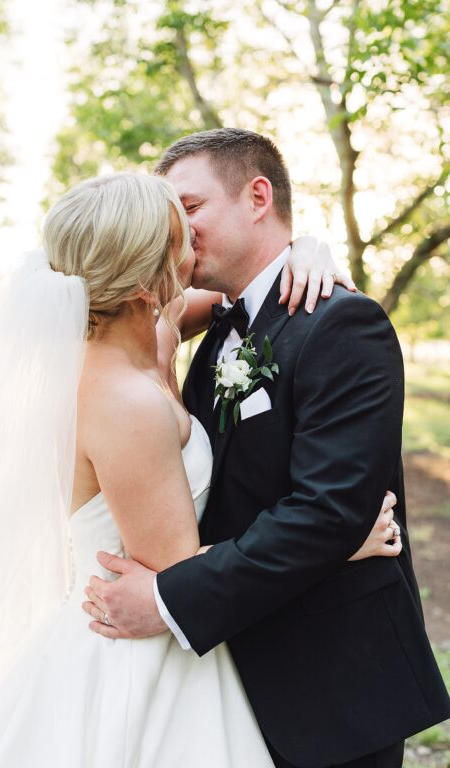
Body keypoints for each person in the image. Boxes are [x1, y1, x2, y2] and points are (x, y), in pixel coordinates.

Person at [0, 172, 400, 766]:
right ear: (146, 278)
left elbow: (251, 286)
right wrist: (336, 543)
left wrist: (306, 249)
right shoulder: (123, 401)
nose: (195, 245)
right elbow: (177, 571)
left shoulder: (152, 331)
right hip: (133, 652)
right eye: (181, 233)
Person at [84, 129, 450, 768]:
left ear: (258, 196)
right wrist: (334, 546)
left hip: (327, 685)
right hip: (229, 665)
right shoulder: (195, 324)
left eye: (189, 208)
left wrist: (171, 597)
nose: (176, 231)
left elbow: (329, 512)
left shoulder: (341, 322)